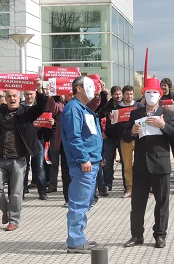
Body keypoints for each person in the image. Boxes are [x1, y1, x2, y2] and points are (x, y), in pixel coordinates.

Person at [0, 78, 45, 231]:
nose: (12, 99)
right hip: (0, 157)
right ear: (5, 98)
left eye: (14, 96)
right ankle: (6, 211)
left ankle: (13, 219)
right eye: (9, 96)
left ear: (19, 98)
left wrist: (40, 89)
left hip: (18, 159)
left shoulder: (26, 113)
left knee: (16, 192)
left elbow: (41, 106)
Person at [123, 78, 174, 249]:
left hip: (160, 164)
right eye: (148, 92)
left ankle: (160, 235)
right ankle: (136, 235)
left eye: (155, 92)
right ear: (143, 94)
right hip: (141, 165)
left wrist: (163, 125)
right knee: (137, 203)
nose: (151, 95)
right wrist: (132, 131)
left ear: (160, 94)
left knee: (162, 202)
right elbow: (125, 137)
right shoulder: (135, 114)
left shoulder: (168, 114)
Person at [61, 76, 103, 254]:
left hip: (91, 161)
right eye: (90, 87)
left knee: (84, 202)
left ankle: (79, 237)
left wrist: (97, 156)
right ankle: (75, 241)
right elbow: (74, 137)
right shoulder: (73, 109)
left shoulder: (82, 108)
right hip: (83, 164)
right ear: (79, 88)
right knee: (78, 203)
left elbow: (89, 134)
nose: (93, 90)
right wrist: (83, 158)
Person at [115, 85, 144, 198]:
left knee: (140, 165)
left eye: (131, 94)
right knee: (127, 166)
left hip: (138, 139)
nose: (129, 96)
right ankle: (129, 189)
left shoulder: (139, 106)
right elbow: (113, 126)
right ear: (123, 95)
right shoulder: (118, 108)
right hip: (125, 140)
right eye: (127, 94)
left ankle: (141, 188)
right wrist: (112, 120)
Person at [96, 85, 123, 194]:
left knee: (125, 163)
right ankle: (107, 185)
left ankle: (127, 186)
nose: (118, 96)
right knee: (108, 164)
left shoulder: (125, 105)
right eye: (116, 94)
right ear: (112, 95)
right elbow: (97, 116)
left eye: (120, 94)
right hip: (109, 137)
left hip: (122, 137)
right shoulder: (108, 106)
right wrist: (101, 132)